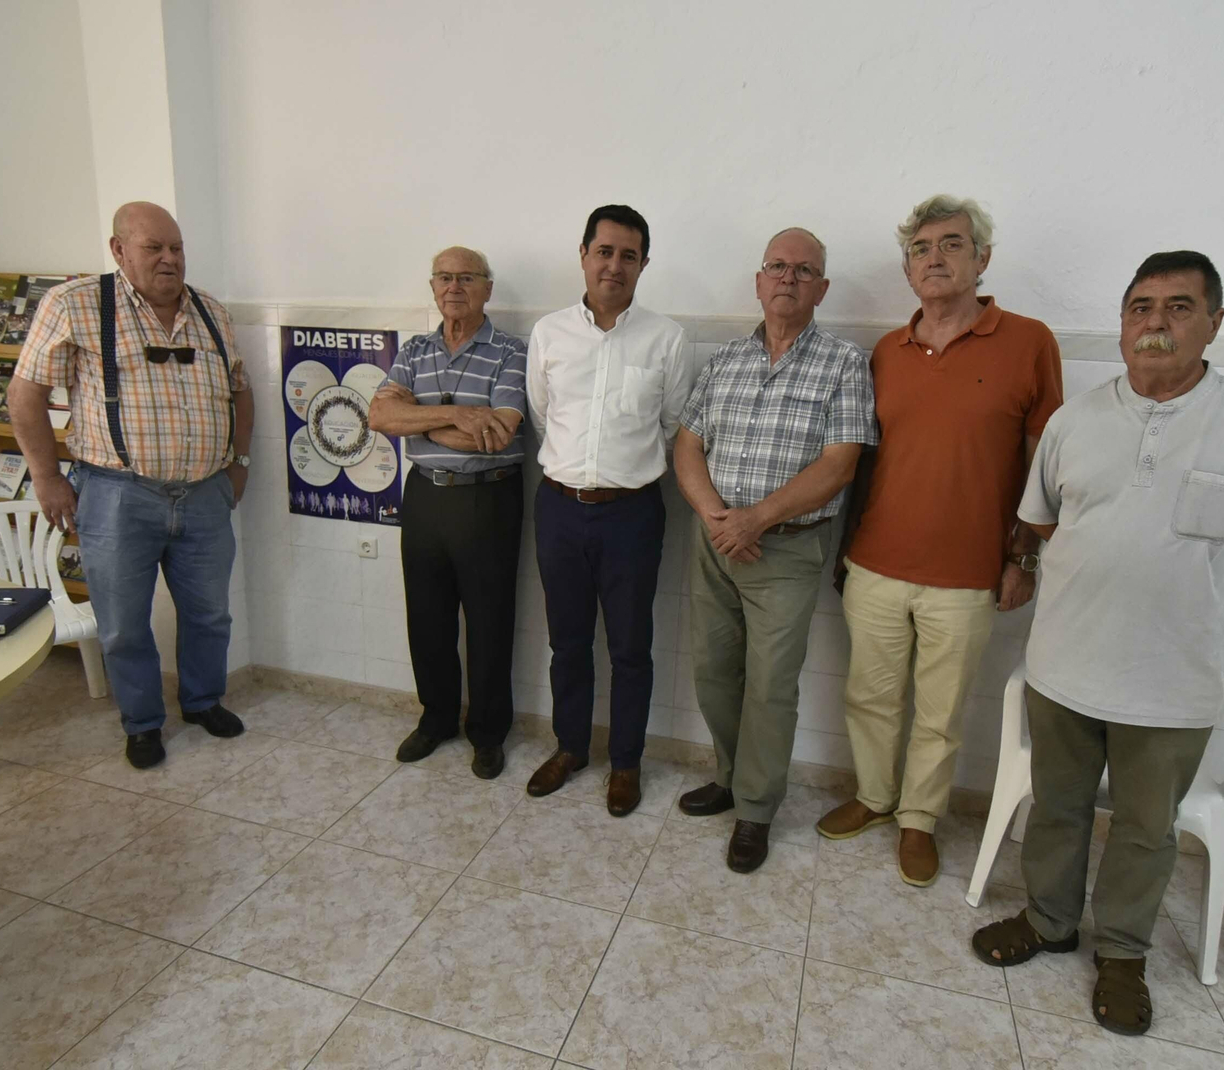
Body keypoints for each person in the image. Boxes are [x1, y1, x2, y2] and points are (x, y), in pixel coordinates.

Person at [971, 251, 1224, 1036]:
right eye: (1139, 308)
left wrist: (1204, 593)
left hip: (1170, 683)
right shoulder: (1076, 421)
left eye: (1177, 308)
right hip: (1066, 665)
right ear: (1123, 321)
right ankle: (1050, 921)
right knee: (1056, 807)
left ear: (1214, 323)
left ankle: (1123, 955)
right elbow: (1044, 520)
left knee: (1144, 827)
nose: (1154, 324)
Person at [821, 196, 1064, 887]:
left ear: (982, 259)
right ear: (907, 269)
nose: (936, 258)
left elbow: (1048, 463)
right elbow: (864, 459)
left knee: (940, 711)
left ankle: (918, 821)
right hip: (875, 563)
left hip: (968, 575)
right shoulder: (886, 352)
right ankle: (873, 798)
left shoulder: (1029, 341)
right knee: (868, 695)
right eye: (922, 248)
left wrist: (1024, 556)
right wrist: (847, 549)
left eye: (952, 245)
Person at [8, 201, 254, 769]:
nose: (169, 259)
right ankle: (142, 723)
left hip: (206, 493)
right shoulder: (74, 305)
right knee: (121, 624)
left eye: (177, 248)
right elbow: (25, 395)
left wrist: (238, 463)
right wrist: (46, 478)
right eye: (154, 248)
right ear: (119, 251)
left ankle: (202, 701)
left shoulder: (212, 312)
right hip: (116, 495)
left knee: (210, 614)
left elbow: (241, 389)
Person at [673, 227, 876, 872]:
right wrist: (715, 515)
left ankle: (756, 811)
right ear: (759, 282)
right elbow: (687, 445)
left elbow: (841, 464)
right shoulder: (725, 361)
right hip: (716, 541)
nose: (787, 278)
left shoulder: (844, 363)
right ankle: (731, 778)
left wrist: (756, 519)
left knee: (769, 686)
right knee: (711, 670)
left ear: (821, 287)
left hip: (784, 549)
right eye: (777, 267)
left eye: (803, 269)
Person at [524, 205, 691, 816]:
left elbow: (673, 424)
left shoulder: (667, 338)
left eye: (628, 255)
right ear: (584, 254)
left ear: (643, 263)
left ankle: (626, 762)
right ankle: (571, 747)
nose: (614, 265)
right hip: (560, 508)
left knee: (630, 649)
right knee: (567, 642)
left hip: (633, 514)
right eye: (604, 251)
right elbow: (544, 414)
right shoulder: (549, 333)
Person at [368, 246, 526, 779]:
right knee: (427, 616)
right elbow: (378, 413)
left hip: (489, 496)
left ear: (487, 288)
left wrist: (418, 419)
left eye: (466, 278)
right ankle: (436, 718)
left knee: (488, 621)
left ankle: (487, 732)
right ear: (432, 288)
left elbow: (497, 432)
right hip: (425, 496)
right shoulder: (415, 349)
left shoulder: (510, 351)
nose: (453, 287)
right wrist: (456, 414)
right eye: (443, 278)